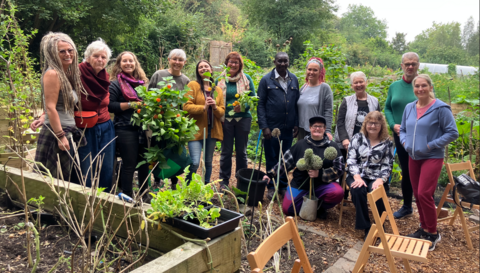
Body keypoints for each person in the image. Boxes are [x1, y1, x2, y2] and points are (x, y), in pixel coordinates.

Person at [401, 74, 458, 251]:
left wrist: (430, 145)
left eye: (424, 85)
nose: (420, 89)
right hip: (413, 157)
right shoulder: (409, 107)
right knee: (417, 194)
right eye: (417, 86)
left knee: (425, 193)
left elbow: (452, 132)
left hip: (432, 156)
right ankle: (423, 227)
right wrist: (404, 143)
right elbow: (402, 129)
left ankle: (433, 233)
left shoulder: (441, 108)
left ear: (430, 87)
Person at [263, 116, 344, 219]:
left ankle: (320, 206)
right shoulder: (300, 144)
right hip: (301, 184)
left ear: (324, 129)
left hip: (322, 185)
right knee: (288, 209)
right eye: (315, 126)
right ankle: (307, 204)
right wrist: (270, 174)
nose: (317, 129)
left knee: (337, 193)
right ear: (310, 128)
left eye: (320, 126)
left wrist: (320, 174)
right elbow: (285, 163)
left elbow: (340, 168)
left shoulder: (332, 147)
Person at [34, 32, 87, 180]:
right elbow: (51, 107)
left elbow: (51, 103)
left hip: (65, 130)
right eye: (62, 51)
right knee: (56, 180)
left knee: (67, 180)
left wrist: (43, 115)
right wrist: (60, 136)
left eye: (70, 50)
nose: (67, 54)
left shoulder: (64, 73)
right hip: (56, 133)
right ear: (52, 53)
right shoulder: (53, 74)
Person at [257, 52, 300, 200]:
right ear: (274, 62)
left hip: (288, 127)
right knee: (271, 158)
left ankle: (282, 185)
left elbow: (296, 104)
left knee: (285, 158)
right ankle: (271, 186)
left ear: (289, 62)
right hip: (271, 127)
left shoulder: (293, 79)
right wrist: (264, 126)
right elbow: (260, 104)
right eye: (279, 61)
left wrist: (296, 123)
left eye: (285, 61)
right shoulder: (266, 80)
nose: (282, 64)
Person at [108, 51, 150, 199]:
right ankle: (127, 196)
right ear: (119, 64)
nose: (128, 63)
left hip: (142, 129)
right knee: (129, 164)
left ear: (135, 63)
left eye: (130, 61)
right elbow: (111, 106)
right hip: (125, 128)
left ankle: (145, 195)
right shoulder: (115, 84)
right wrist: (132, 104)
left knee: (145, 163)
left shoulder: (141, 83)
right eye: (124, 61)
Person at [346, 111, 394, 240]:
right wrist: (357, 177)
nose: (372, 126)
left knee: (377, 190)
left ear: (381, 125)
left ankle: (380, 224)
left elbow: (388, 164)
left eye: (376, 123)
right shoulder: (357, 138)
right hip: (356, 173)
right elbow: (351, 160)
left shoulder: (387, 142)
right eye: (370, 123)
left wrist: (380, 180)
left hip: (376, 176)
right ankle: (366, 226)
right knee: (357, 189)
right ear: (365, 124)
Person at [77, 38, 115, 192]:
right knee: (85, 165)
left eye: (103, 57)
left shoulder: (104, 75)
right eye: (96, 56)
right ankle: (84, 199)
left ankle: (105, 198)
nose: (100, 60)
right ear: (88, 57)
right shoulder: (76, 73)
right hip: (85, 127)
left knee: (107, 165)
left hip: (105, 125)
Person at [384, 52, 420, 219]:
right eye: (407, 64)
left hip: (419, 136)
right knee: (406, 170)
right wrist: (393, 125)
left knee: (418, 171)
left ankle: (422, 206)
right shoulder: (394, 86)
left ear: (418, 65)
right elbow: (388, 108)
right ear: (402, 66)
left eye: (413, 63)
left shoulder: (422, 85)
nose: (410, 66)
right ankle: (407, 206)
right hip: (400, 135)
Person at [148, 49, 190, 187]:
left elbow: (186, 103)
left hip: (176, 124)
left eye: (180, 60)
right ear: (169, 60)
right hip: (159, 122)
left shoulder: (185, 81)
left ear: (185, 62)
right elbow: (149, 96)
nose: (177, 62)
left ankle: (173, 180)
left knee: (175, 152)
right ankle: (157, 179)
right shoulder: (159, 75)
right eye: (174, 59)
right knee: (157, 150)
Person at [216, 52, 255, 189]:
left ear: (240, 65)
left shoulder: (247, 79)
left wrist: (244, 107)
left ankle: (241, 181)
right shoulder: (219, 80)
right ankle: (224, 182)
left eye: (236, 62)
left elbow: (253, 99)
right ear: (226, 63)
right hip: (225, 119)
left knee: (242, 152)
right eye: (231, 62)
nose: (233, 64)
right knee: (226, 151)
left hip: (243, 119)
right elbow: (216, 100)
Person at [184, 60, 225, 184]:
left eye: (206, 66)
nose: (203, 68)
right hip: (196, 130)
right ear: (198, 71)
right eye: (200, 67)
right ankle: (188, 187)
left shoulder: (216, 89)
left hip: (212, 131)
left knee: (208, 162)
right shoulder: (193, 85)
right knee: (195, 162)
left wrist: (215, 108)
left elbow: (222, 111)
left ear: (211, 70)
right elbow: (186, 106)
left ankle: (205, 187)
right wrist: (203, 107)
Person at [335, 71, 380, 158]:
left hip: (368, 144)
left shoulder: (374, 101)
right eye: (356, 82)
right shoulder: (346, 101)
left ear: (366, 83)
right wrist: (344, 139)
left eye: (361, 82)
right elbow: (340, 122)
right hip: (348, 144)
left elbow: (378, 122)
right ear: (352, 85)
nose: (359, 85)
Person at [297, 57, 333, 141]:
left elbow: (328, 111)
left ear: (320, 72)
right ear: (306, 70)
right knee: (301, 153)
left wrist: (327, 131)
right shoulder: (303, 87)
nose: (311, 72)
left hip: (317, 130)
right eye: (309, 69)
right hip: (302, 129)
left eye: (315, 70)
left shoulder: (324, 88)